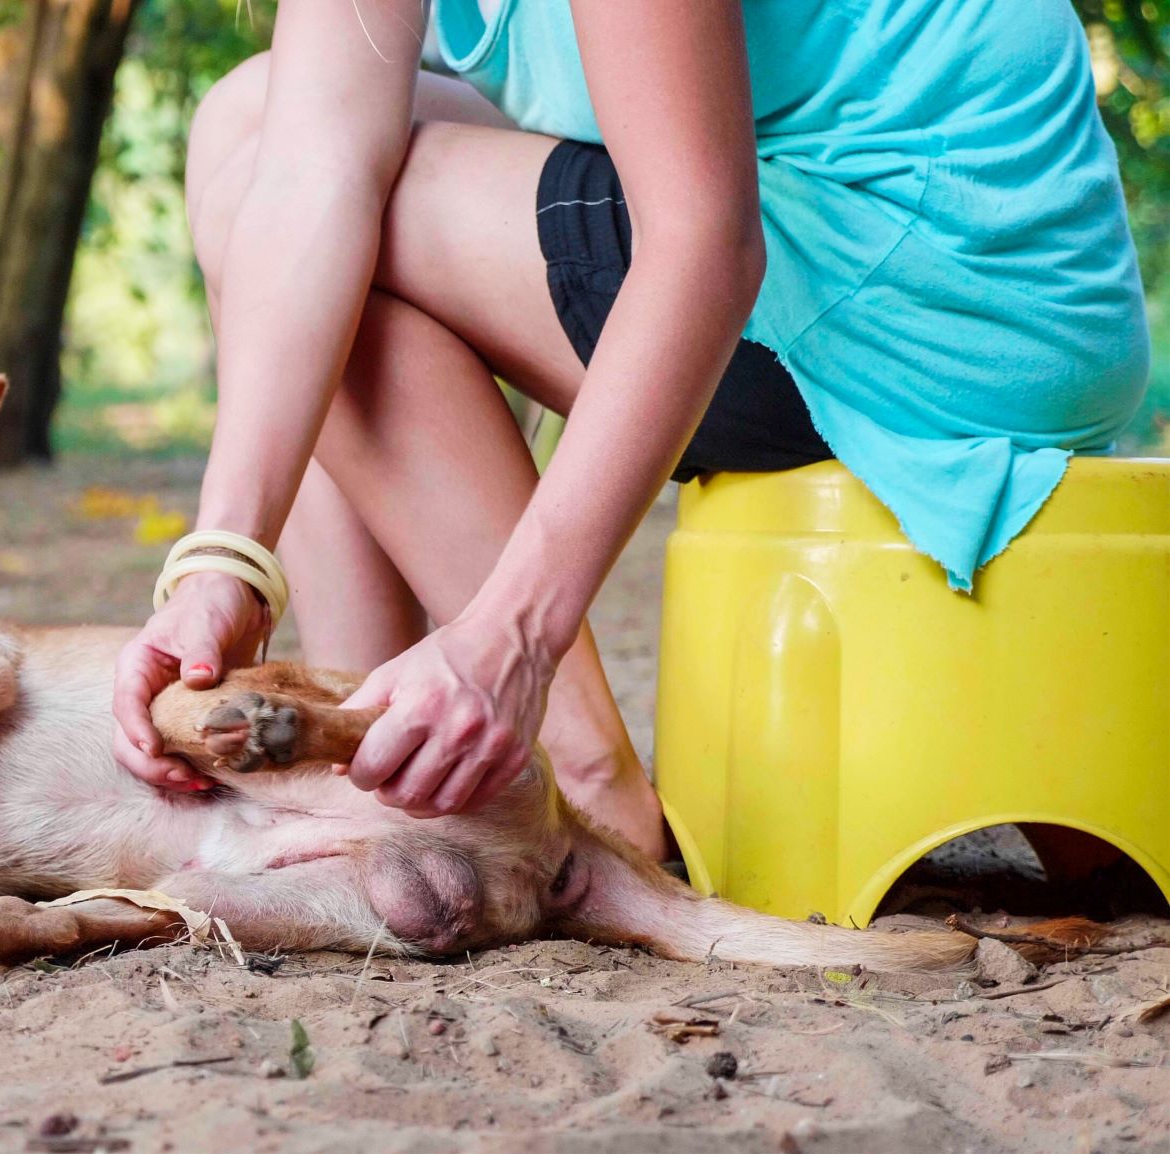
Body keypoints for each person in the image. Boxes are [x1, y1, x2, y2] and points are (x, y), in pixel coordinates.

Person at [110, 0, 1148, 861]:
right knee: (253, 127)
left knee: (320, 205)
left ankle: (589, 790)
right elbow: (307, 173)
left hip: (947, 294)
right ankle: (379, 763)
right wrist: (219, 564)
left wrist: (513, 641)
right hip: (828, 232)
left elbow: (701, 239)